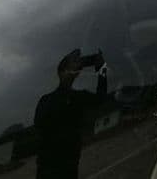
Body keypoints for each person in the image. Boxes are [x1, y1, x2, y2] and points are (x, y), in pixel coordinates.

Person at [34, 49, 107, 179]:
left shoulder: (77, 97)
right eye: (73, 62)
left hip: (67, 168)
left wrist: (102, 68)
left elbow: (100, 99)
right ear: (62, 71)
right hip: (49, 169)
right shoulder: (47, 101)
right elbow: (39, 130)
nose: (79, 64)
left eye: (79, 63)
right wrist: (102, 69)